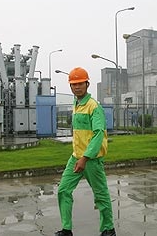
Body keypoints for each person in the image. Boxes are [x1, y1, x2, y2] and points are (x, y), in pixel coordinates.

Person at [55, 67, 116, 236]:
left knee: (101, 195)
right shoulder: (76, 104)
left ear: (87, 84)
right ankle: (66, 229)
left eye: (80, 83)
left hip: (91, 160)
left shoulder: (93, 106)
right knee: (63, 190)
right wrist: (78, 157)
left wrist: (85, 158)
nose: (76, 87)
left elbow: (98, 135)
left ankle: (108, 229)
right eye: (73, 84)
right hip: (76, 157)